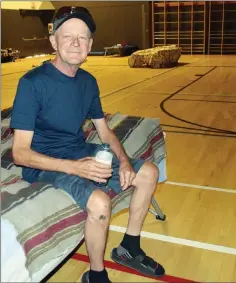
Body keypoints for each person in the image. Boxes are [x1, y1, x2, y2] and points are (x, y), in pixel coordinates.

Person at [10, 6, 165, 283]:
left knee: (149, 172)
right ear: (54, 41)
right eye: (67, 36)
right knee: (99, 201)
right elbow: (20, 153)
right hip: (44, 161)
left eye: (83, 38)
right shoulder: (32, 83)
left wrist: (126, 163)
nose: (75, 43)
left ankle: (129, 247)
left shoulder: (88, 82)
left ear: (91, 45)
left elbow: (104, 132)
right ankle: (96, 274)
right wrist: (75, 168)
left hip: (78, 151)